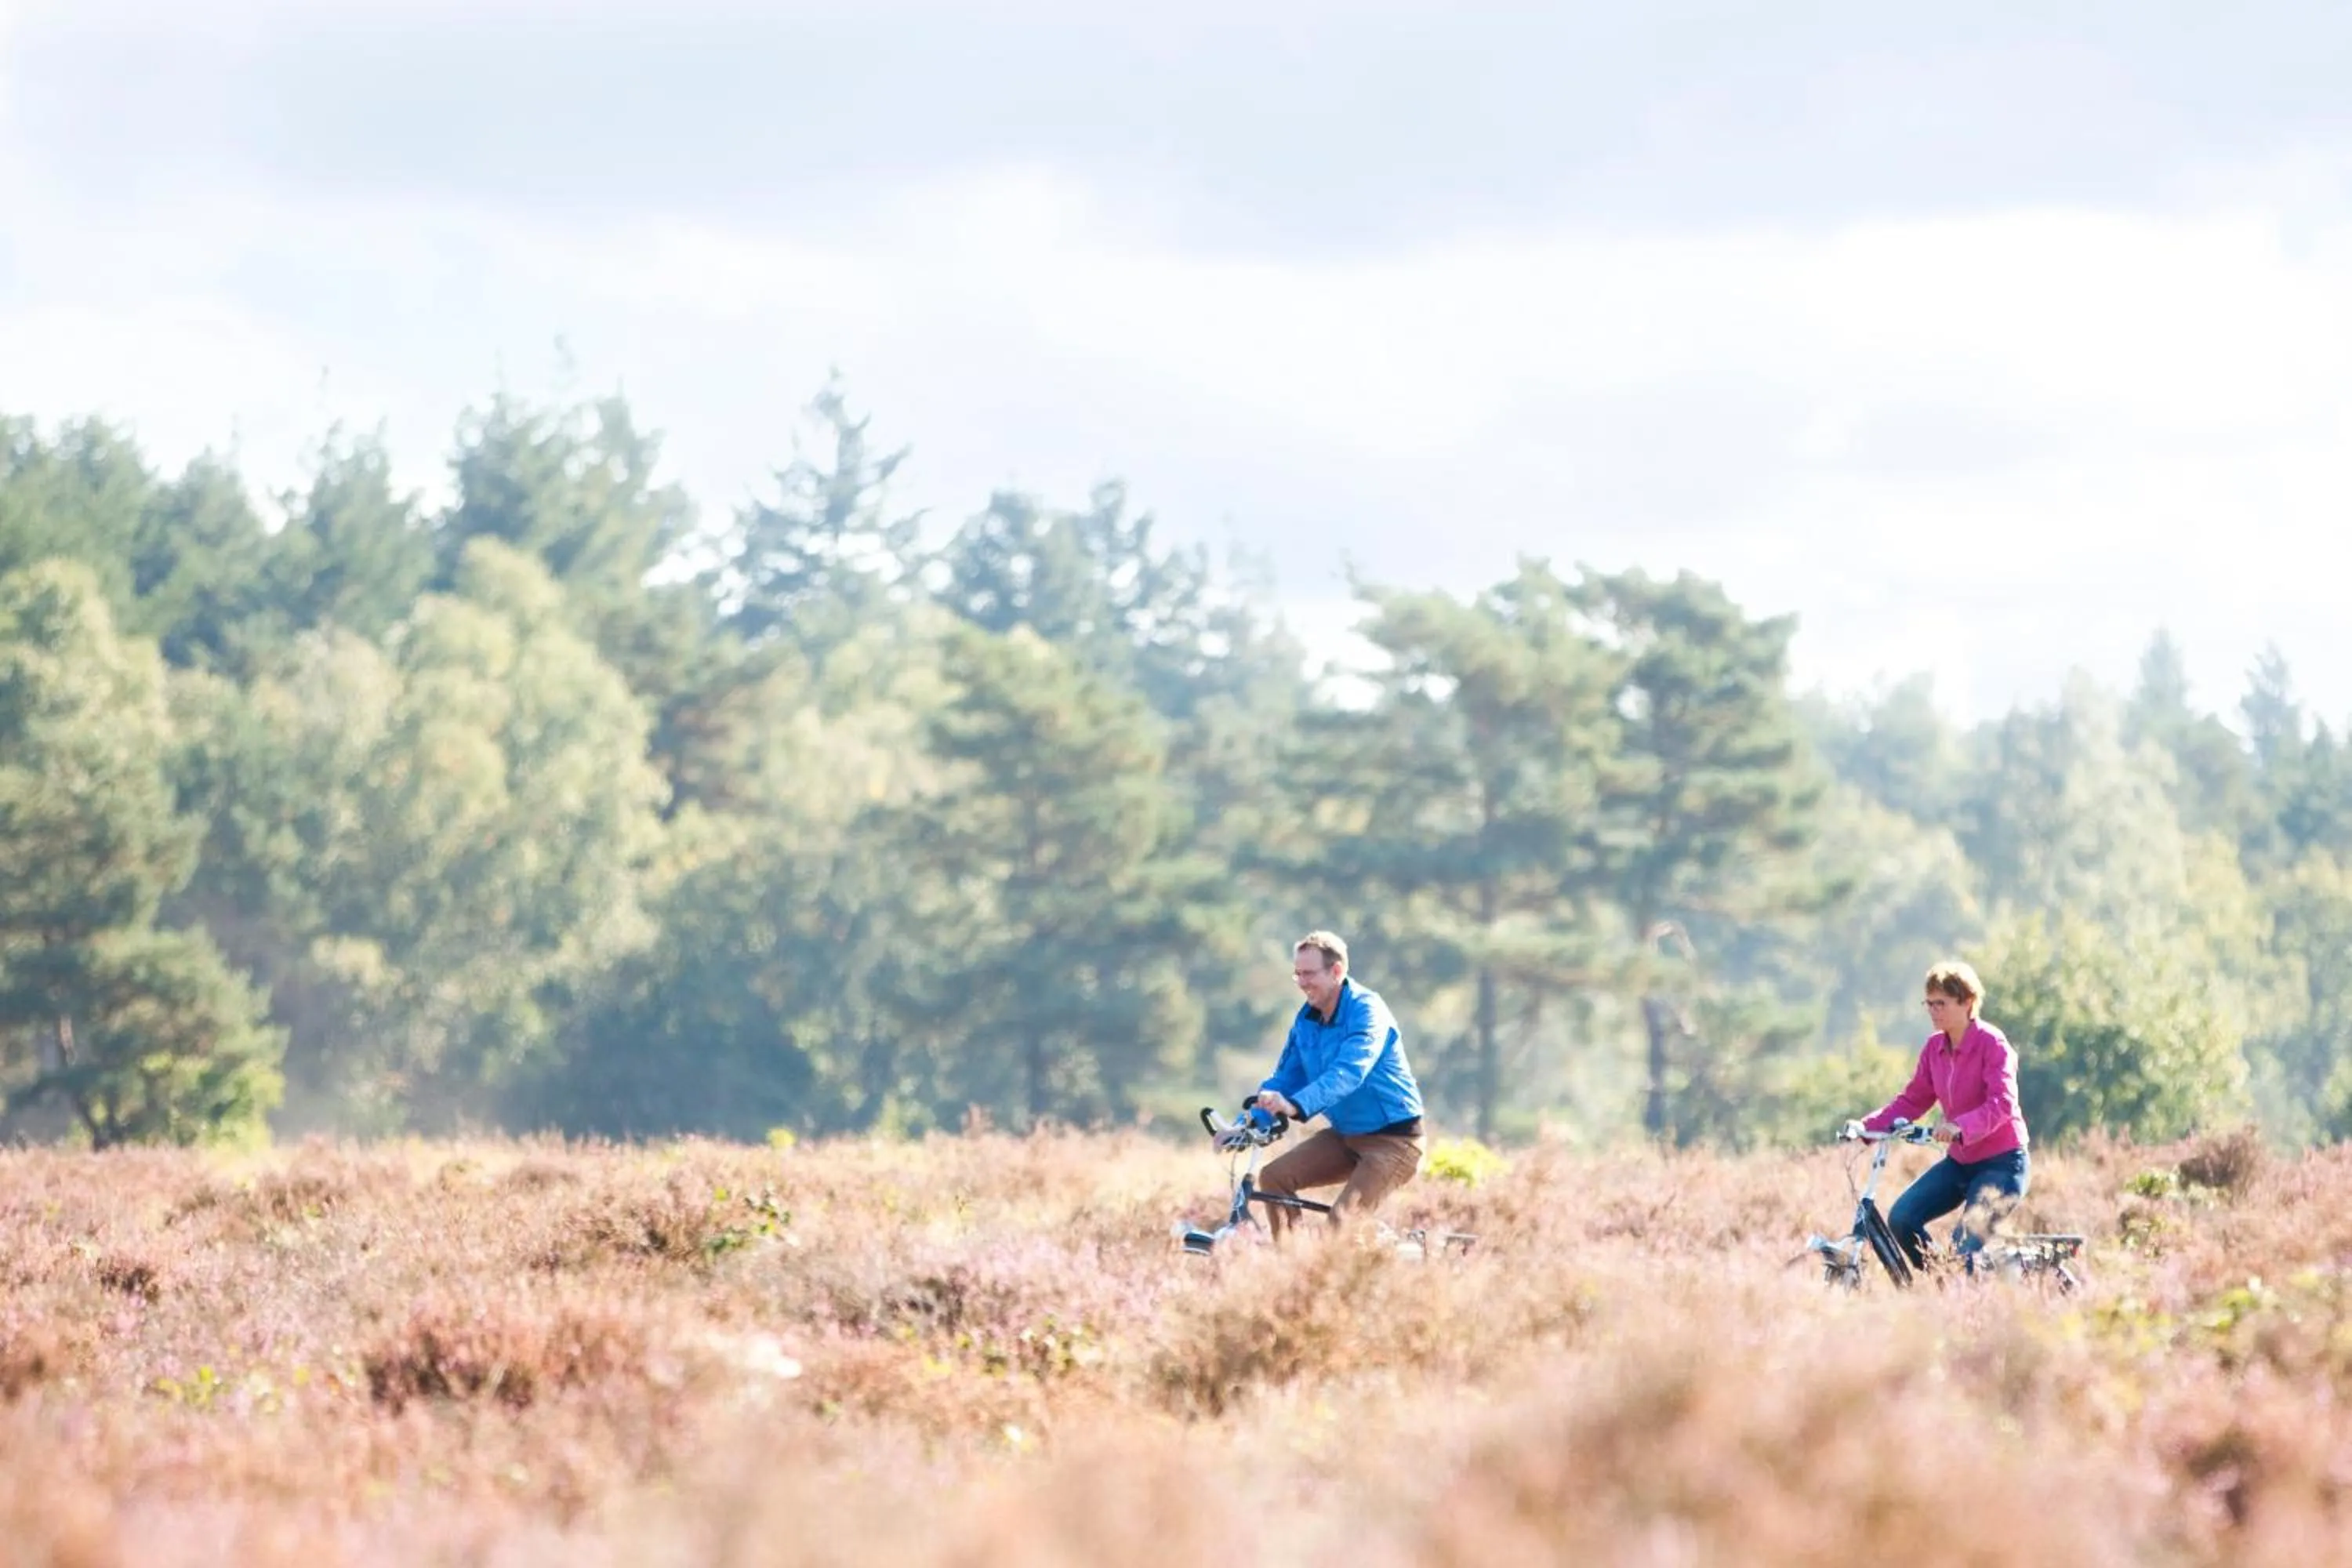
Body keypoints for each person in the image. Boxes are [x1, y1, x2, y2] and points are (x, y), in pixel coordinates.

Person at [1225, 931, 1426, 1240]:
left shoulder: (1367, 1011)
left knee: (1340, 1225)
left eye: (1309, 974)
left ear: (1336, 971)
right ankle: (1292, 1266)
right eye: (1297, 975)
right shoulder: (1307, 1020)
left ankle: (1347, 1276)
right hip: (1346, 1136)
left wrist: (1295, 1105)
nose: (1303, 983)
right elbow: (1286, 1078)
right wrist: (1248, 1124)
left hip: (1394, 1142)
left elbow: (1348, 1072)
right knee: (1274, 1178)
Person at [1844, 959, 2031, 1272]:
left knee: (1963, 1245)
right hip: (1960, 1163)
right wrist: (1865, 1128)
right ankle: (1947, 1284)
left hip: (2002, 1164)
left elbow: (2003, 1104)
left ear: (1968, 1002)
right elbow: (1912, 1100)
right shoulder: (1934, 1048)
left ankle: (1963, 1291)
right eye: (1928, 1004)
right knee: (1903, 1218)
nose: (1933, 1011)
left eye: (1941, 1003)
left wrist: (1960, 1127)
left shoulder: (1992, 1045)